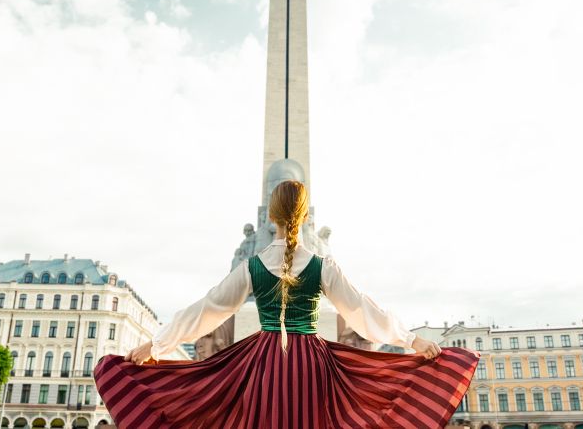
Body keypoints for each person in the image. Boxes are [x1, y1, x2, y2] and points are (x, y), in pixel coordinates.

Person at [94, 180, 479, 428]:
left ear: (271, 217)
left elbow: (207, 309)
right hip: (312, 365)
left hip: (261, 364)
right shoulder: (322, 265)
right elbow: (362, 310)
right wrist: (412, 341)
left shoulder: (252, 266)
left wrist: (156, 346)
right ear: (305, 216)